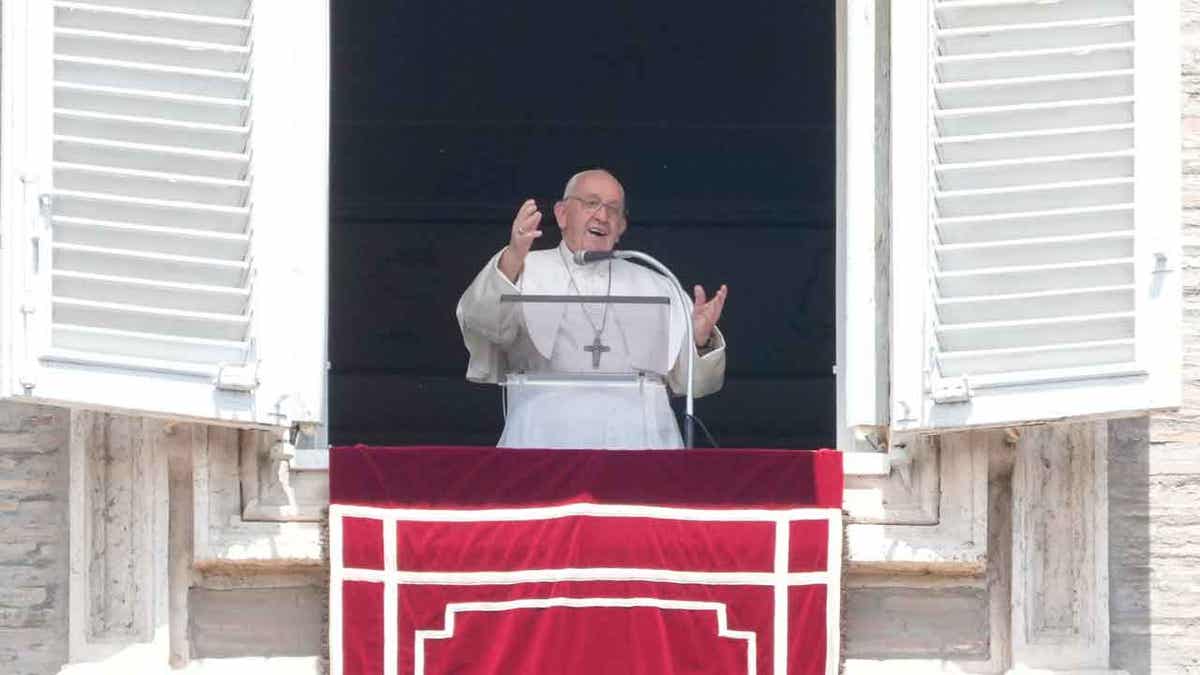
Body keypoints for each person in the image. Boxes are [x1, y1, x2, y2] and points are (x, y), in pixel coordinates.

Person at [456, 169, 729, 449]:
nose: (602, 216)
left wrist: (699, 341)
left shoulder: (657, 283)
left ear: (621, 227)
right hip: (545, 439)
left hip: (640, 445)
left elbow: (694, 384)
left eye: (613, 209)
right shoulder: (520, 269)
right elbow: (483, 325)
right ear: (562, 214)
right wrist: (512, 256)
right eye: (591, 203)